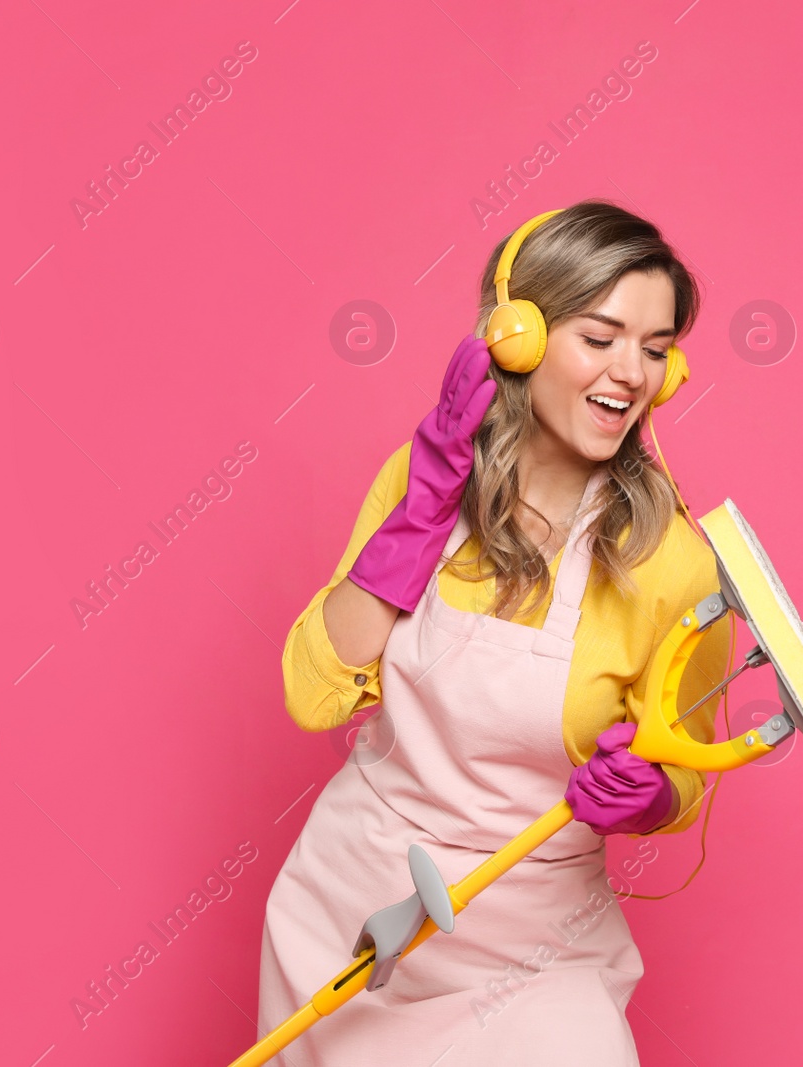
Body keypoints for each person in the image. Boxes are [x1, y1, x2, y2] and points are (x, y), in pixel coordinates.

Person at [258, 201, 733, 1065]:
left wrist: (655, 796)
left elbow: (685, 765)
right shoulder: (421, 476)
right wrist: (415, 520)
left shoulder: (678, 564)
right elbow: (312, 691)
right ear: (517, 336)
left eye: (656, 348)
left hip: (534, 937)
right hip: (352, 904)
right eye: (601, 337)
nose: (631, 372)